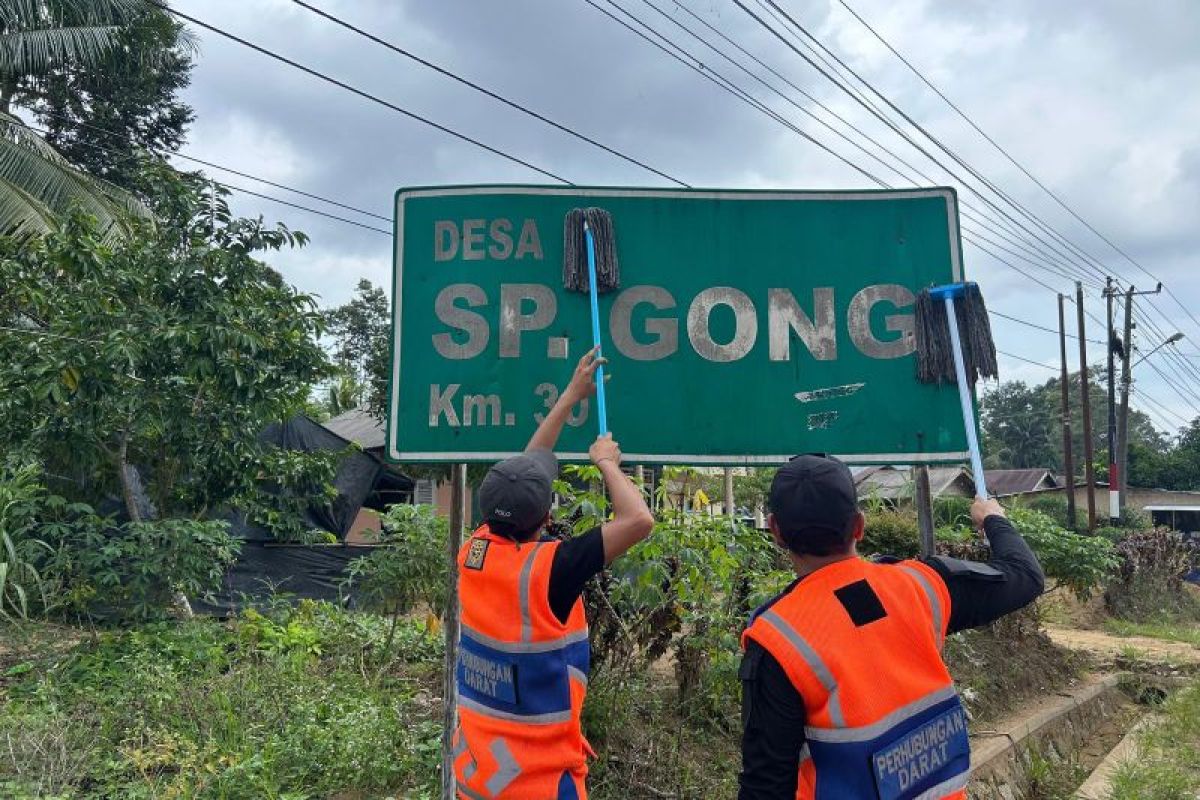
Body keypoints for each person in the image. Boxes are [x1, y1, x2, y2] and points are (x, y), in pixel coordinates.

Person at [739, 455, 1045, 799]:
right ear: (859, 525)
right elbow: (1025, 575)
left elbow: (765, 785)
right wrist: (993, 519)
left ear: (775, 530)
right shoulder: (922, 586)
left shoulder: (778, 639)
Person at [452, 348, 655, 800]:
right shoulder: (550, 569)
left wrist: (570, 395)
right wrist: (605, 461)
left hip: (477, 775)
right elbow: (639, 520)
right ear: (545, 518)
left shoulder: (474, 550)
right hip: (539, 783)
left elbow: (526, 468)